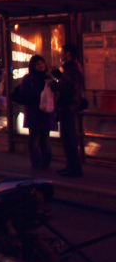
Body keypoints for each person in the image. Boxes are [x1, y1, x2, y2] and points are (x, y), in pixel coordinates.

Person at [12, 55, 54, 170]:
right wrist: (39, 91)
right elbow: (23, 92)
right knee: (34, 138)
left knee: (45, 137)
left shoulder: (48, 77)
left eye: (42, 63)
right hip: (34, 111)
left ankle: (46, 162)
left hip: (45, 111)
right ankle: (36, 163)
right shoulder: (29, 78)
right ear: (33, 66)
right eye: (38, 64)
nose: (41, 65)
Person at [52, 44, 84, 178]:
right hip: (68, 106)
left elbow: (70, 87)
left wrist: (55, 85)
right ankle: (71, 166)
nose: (60, 53)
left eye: (62, 51)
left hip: (68, 107)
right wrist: (58, 74)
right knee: (68, 138)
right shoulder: (72, 67)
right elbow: (69, 82)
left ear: (68, 53)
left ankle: (74, 168)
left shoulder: (72, 68)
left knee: (69, 138)